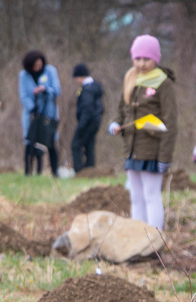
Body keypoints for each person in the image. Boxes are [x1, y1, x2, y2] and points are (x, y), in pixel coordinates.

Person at [108, 35, 178, 230]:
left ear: (156, 58)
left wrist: (165, 157)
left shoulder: (164, 83)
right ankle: (137, 235)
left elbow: (171, 123)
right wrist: (115, 122)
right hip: (131, 150)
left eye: (146, 59)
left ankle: (154, 237)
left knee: (151, 195)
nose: (141, 63)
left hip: (153, 151)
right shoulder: (131, 78)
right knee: (135, 196)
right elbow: (122, 109)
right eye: (137, 59)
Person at [19, 50, 62, 176]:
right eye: (35, 65)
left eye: (40, 64)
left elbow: (57, 90)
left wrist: (45, 89)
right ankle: (28, 172)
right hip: (32, 114)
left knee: (50, 142)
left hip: (49, 114)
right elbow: (23, 95)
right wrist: (32, 108)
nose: (38, 67)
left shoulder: (50, 71)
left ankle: (55, 172)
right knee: (30, 141)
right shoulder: (23, 75)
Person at [70, 63, 105, 172]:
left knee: (75, 145)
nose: (76, 81)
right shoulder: (95, 87)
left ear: (80, 76)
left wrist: (81, 125)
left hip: (87, 123)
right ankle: (90, 171)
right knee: (89, 146)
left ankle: (79, 171)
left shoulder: (87, 90)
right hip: (95, 122)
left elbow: (87, 109)